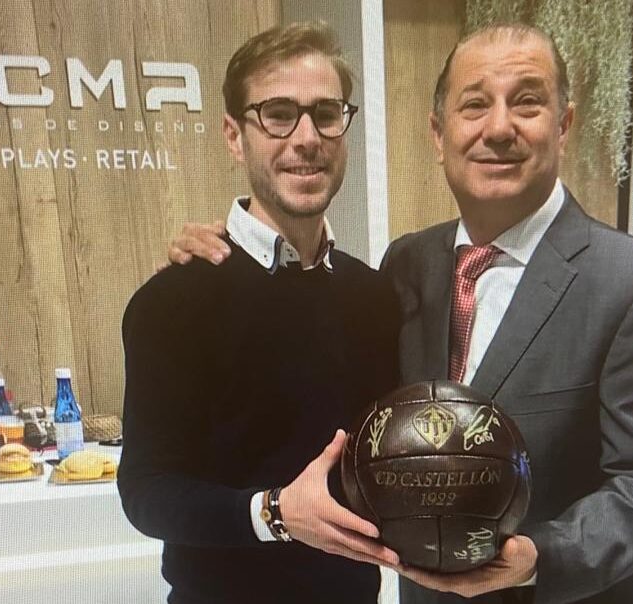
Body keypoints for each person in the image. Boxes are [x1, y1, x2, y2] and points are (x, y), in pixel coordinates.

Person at [168, 22, 633, 604]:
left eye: (526, 102)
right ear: (438, 133)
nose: (498, 128)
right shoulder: (406, 265)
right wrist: (219, 261)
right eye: (474, 105)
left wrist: (539, 558)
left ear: (564, 125)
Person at [117, 22, 401, 604]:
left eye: (326, 113)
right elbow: (146, 492)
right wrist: (274, 513)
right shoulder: (171, 302)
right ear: (234, 135)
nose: (307, 138)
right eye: (278, 114)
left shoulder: (374, 297)